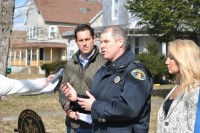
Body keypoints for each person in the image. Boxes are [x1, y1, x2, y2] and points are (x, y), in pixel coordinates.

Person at [62, 25, 153, 133]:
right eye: (101, 42)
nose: (102, 46)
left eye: (106, 42)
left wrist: (94, 106)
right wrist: (76, 99)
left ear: (120, 42)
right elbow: (97, 101)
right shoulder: (103, 71)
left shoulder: (135, 72)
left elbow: (129, 109)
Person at [59, 24, 106, 133]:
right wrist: (67, 108)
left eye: (87, 39)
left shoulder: (105, 63)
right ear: (76, 42)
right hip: (73, 123)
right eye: (81, 40)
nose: (84, 43)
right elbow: (63, 90)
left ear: (94, 39)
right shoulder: (70, 64)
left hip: (95, 124)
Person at [156, 39, 200, 133]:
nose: (166, 62)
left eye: (171, 58)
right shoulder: (177, 87)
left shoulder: (195, 90)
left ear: (184, 59)